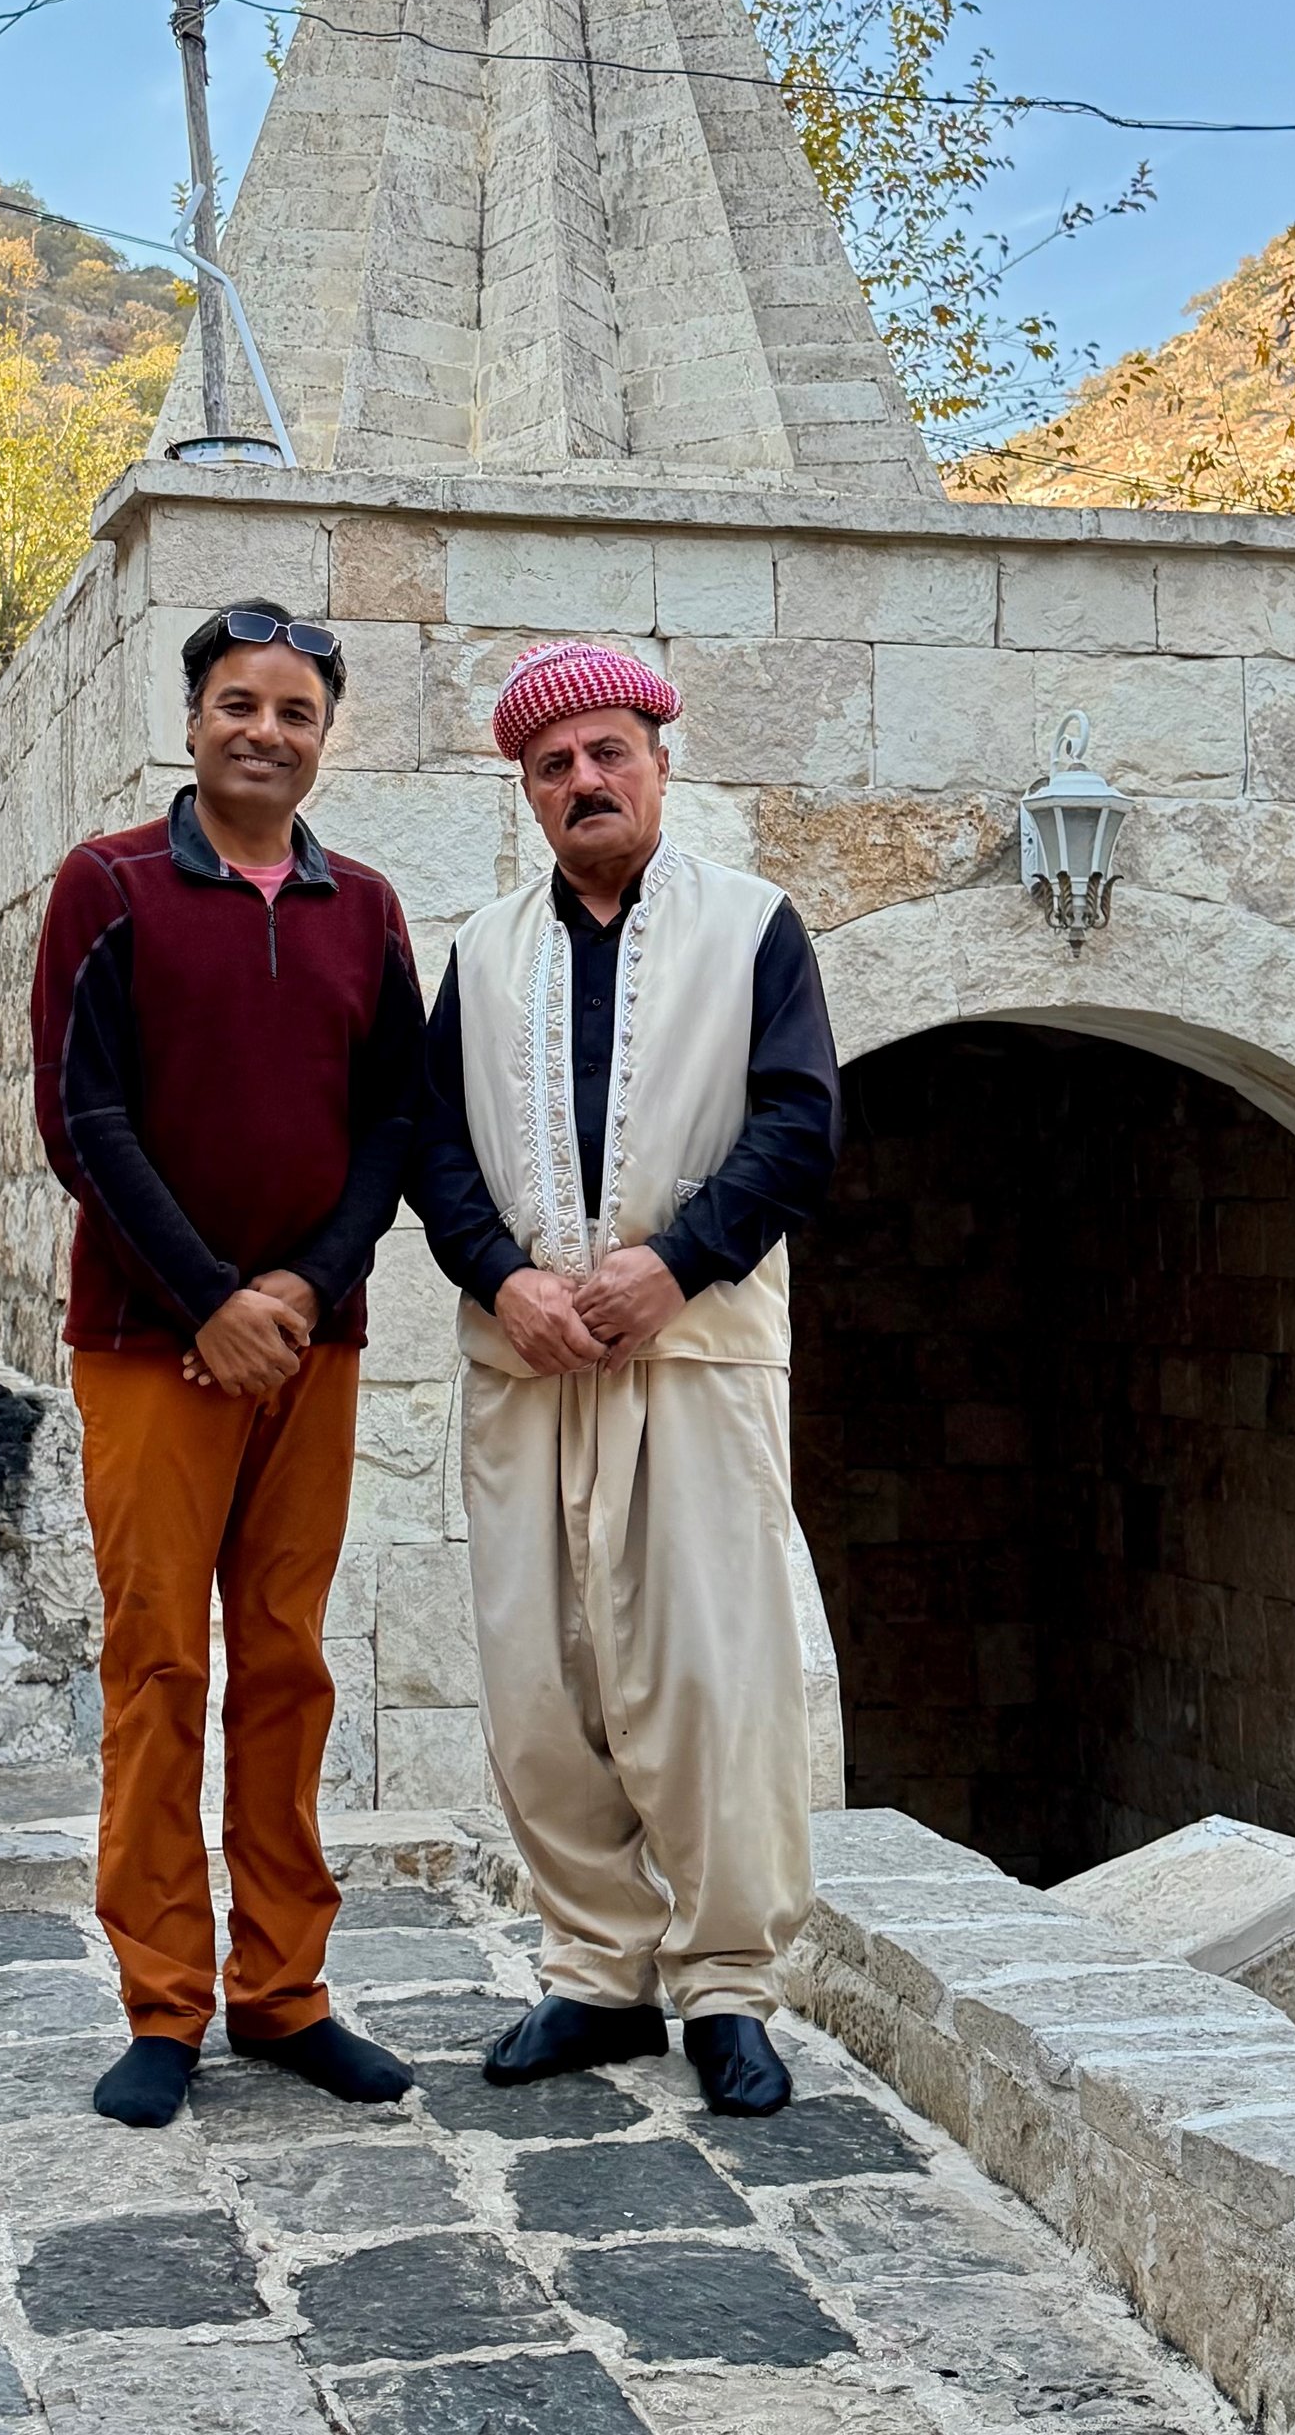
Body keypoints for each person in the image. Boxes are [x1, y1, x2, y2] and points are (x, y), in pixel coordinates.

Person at [409, 638, 842, 2118]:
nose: (584, 781)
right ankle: (598, 1972)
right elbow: (432, 1151)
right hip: (526, 1362)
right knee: (543, 1675)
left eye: (608, 753)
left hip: (697, 1350)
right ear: (525, 792)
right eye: (553, 766)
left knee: (713, 1673)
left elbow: (798, 1124)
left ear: (660, 757)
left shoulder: (753, 929)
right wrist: (504, 1277)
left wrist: (681, 1260)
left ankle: (730, 1985)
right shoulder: (479, 952)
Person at [30, 599, 426, 2129]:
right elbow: (87, 1121)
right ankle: (163, 2003)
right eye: (239, 705)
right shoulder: (110, 886)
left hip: (308, 1351)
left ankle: (284, 1990)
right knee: (158, 1665)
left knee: (284, 1662)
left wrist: (305, 1292)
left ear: (325, 740)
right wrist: (207, 1301)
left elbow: (393, 1120)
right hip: (149, 1345)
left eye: (297, 713)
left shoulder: (367, 910)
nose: (266, 731)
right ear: (192, 717)